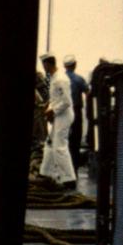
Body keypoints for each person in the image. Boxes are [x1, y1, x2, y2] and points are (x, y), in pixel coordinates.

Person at [39, 53, 77, 189]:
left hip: (63, 116)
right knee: (49, 144)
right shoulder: (54, 77)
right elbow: (56, 98)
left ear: (48, 64)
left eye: (44, 64)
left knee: (60, 147)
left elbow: (66, 101)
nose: (43, 67)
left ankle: (69, 179)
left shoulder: (61, 79)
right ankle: (45, 173)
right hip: (58, 115)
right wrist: (48, 105)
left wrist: (52, 111)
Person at [63, 55, 88, 172]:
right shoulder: (79, 79)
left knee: (63, 140)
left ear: (64, 66)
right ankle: (74, 169)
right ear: (75, 65)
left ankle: (64, 170)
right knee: (76, 141)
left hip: (63, 112)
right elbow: (88, 92)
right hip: (76, 113)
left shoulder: (60, 79)